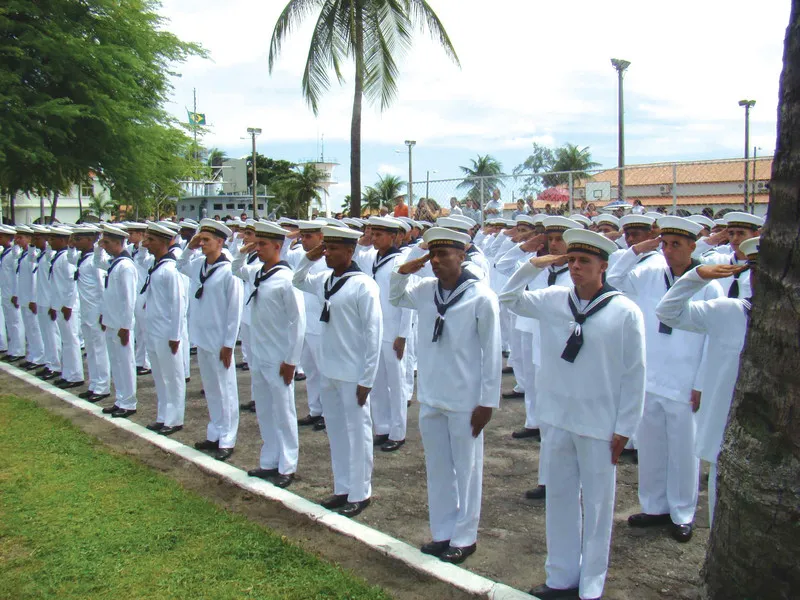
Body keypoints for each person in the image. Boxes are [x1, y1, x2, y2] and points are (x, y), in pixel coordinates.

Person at [498, 228, 646, 600]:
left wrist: (626, 426)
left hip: (600, 423)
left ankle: (592, 585)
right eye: (573, 260)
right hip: (557, 417)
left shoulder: (624, 310)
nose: (576, 267)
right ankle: (561, 576)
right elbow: (509, 297)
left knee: (597, 508)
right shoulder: (553, 299)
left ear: (604, 266)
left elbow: (635, 373)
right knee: (561, 500)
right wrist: (532, 266)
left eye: (585, 262)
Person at [607, 216, 722, 543]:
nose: (669, 251)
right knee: (653, 447)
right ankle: (655, 505)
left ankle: (682, 512)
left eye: (676, 244)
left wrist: (702, 381)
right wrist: (638, 249)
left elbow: (714, 336)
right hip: (652, 376)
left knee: (684, 450)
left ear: (692, 246)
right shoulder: (648, 275)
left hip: (685, 380)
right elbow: (614, 278)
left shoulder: (707, 282)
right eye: (665, 244)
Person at [391, 226, 501, 564]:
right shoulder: (425, 290)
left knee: (467, 471)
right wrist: (403, 270)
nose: (436, 261)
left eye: (444, 254)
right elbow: (396, 297)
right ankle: (442, 532)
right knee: (437, 469)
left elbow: (492, 353)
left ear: (462, 255)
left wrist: (487, 401)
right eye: (433, 254)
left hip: (465, 400)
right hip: (432, 395)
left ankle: (465, 537)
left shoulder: (481, 296)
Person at [656, 236, 759, 525]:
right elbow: (668, 312)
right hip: (724, 436)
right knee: (721, 523)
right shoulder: (730, 312)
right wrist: (695, 276)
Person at [292, 225, 382, 518]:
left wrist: (367, 378)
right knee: (336, 433)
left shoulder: (363, 285)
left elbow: (373, 334)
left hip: (353, 372)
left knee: (358, 433)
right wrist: (310, 255)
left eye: (333, 249)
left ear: (350, 251)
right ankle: (342, 487)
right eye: (326, 248)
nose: (328, 254)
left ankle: (360, 491)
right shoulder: (326, 280)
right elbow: (298, 279)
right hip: (329, 369)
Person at [233, 222, 305, 488]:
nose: (258, 248)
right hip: (260, 353)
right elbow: (235, 268)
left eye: (263, 244)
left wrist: (292, 360)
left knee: (284, 410)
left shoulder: (288, 279)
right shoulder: (257, 273)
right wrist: (244, 249)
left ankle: (287, 465)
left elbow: (298, 323)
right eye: (257, 243)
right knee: (264, 408)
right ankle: (269, 460)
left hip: (279, 357)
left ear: (278, 246)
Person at [178, 219, 243, 461]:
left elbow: (234, 311)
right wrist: (190, 246)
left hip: (219, 341)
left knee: (226, 390)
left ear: (220, 242)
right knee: (212, 390)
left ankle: (228, 437)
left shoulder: (229, 271)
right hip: (202, 338)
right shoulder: (198, 265)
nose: (202, 243)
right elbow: (180, 264)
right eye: (201, 239)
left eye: (206, 240)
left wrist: (229, 344)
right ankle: (214, 432)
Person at [366, 216, 412, 452]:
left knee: (397, 383)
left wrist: (403, 334)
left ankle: (398, 432)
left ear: (395, 237)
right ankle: (382, 428)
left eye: (379, 235)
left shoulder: (401, 261)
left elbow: (407, 300)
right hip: (377, 330)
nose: (374, 239)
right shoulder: (375, 259)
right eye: (373, 234)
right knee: (378, 382)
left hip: (394, 330)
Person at [141, 223, 186, 436]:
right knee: (159, 376)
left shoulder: (170, 269)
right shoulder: (157, 265)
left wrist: (176, 335)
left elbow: (178, 303)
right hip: (154, 329)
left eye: (150, 240)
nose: (145, 243)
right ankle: (162, 415)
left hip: (167, 331)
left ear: (162, 242)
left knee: (173, 376)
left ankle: (175, 418)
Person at [96, 224, 138, 417]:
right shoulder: (115, 263)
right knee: (117, 362)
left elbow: (129, 300)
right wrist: (98, 246)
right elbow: (98, 261)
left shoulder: (126, 266)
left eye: (107, 243)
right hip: (112, 321)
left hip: (121, 324)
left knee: (125, 363)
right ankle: (121, 399)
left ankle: (129, 402)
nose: (104, 246)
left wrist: (126, 327)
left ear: (117, 243)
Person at [71, 225, 111, 403]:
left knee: (99, 349)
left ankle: (102, 387)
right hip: (87, 311)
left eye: (78, 239)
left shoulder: (96, 261)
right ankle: (94, 384)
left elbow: (103, 289)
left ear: (89, 240)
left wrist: (104, 312)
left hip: (97, 311)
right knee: (91, 349)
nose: (75, 242)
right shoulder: (84, 258)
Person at [49, 226, 85, 389]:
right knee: (66, 341)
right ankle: (68, 373)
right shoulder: (61, 256)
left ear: (62, 240)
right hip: (61, 304)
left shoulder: (65, 258)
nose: (50, 242)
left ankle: (75, 375)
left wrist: (68, 305)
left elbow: (72, 283)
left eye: (53, 238)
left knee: (71, 341)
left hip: (67, 306)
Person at [30, 226, 61, 380]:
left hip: (49, 301)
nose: (34, 241)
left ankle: (55, 365)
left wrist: (52, 304)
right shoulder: (43, 255)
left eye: (38, 238)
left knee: (52, 335)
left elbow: (55, 284)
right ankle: (49, 363)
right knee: (46, 335)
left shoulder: (52, 256)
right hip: (42, 299)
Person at [12, 226, 44, 371]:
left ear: (29, 239)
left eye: (21, 237)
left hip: (31, 298)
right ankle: (32, 356)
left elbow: (34, 278)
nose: (17, 240)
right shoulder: (24, 254)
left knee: (35, 328)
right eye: (16, 237)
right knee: (30, 329)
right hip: (24, 296)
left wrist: (33, 299)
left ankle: (39, 357)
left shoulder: (35, 255)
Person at [0, 226, 25, 362]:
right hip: (5, 291)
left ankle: (18, 350)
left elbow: (17, 275)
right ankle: (12, 348)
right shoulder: (6, 253)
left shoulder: (14, 254)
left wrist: (16, 294)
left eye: (1, 236)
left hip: (12, 293)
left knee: (15, 322)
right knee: (10, 322)